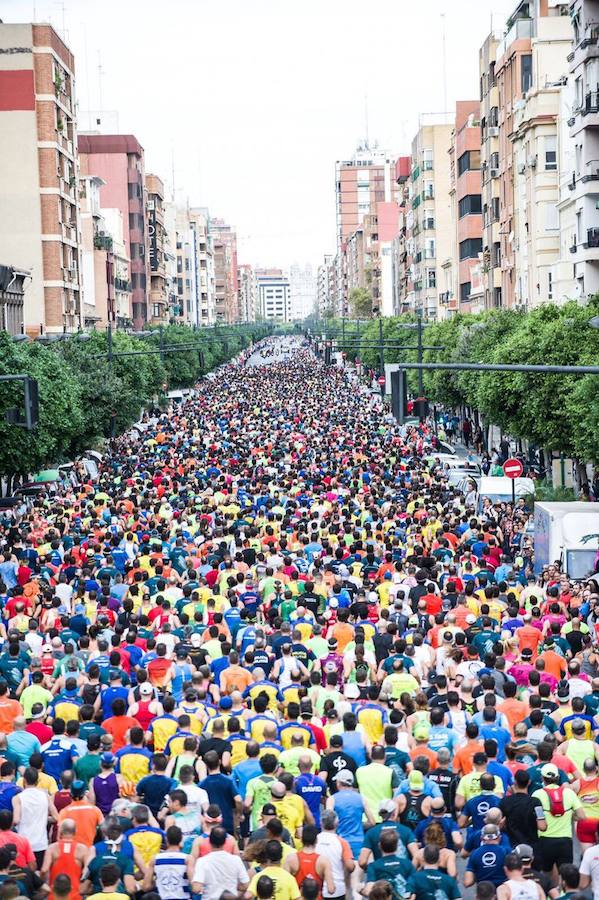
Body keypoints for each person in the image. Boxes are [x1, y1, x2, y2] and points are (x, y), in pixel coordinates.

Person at [190, 826, 249, 900]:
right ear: (225, 841)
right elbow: (246, 885)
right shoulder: (236, 860)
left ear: (209, 841)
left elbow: (196, 888)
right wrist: (233, 886)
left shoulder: (203, 861)